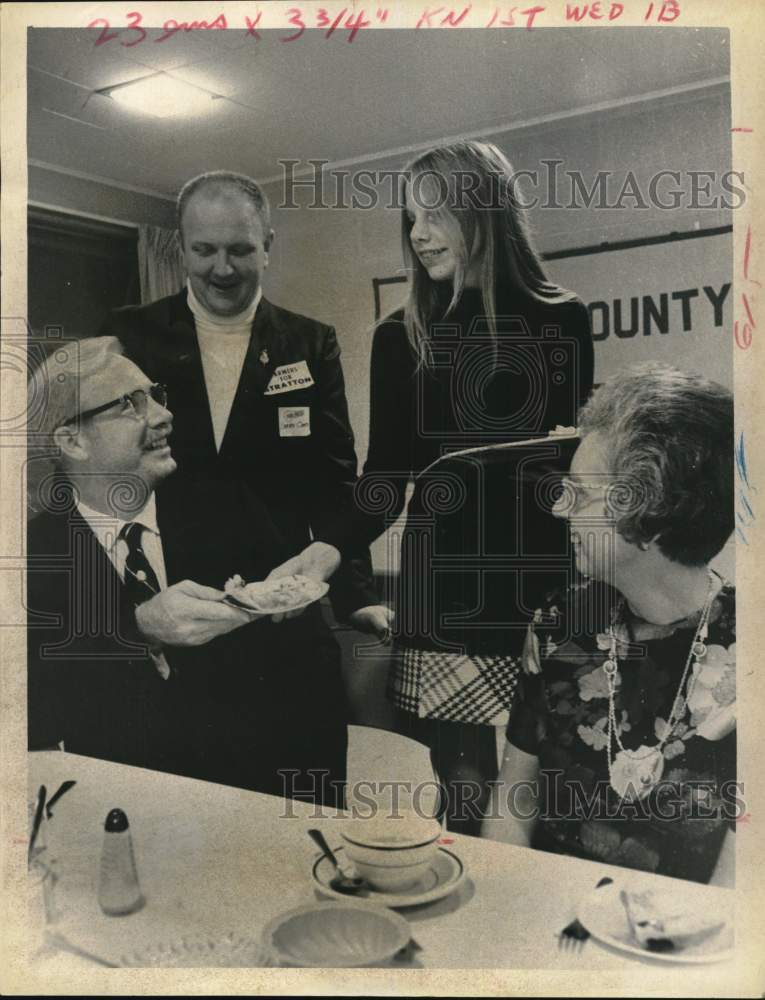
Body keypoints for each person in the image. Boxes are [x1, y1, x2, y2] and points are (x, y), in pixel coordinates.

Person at [351, 140, 594, 835]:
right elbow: (383, 476)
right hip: (440, 598)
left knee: (536, 787)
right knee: (454, 788)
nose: (417, 234)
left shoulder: (559, 318)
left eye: (433, 216)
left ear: (482, 213)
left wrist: (567, 599)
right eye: (409, 220)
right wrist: (323, 549)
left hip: (534, 593)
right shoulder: (397, 337)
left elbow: (562, 474)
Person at [482, 363, 736, 886]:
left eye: (578, 491)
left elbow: (741, 885)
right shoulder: (560, 623)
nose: (558, 508)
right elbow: (513, 801)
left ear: (651, 511)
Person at [100, 170, 379, 628]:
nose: (223, 269)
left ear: (267, 245)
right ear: (181, 246)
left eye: (241, 249)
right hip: (170, 602)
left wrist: (355, 595)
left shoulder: (310, 342)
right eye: (204, 250)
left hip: (280, 601)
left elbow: (335, 480)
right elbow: (102, 473)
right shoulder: (131, 333)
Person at [26, 337, 252, 772]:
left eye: (155, 395)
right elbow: (35, 708)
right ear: (72, 440)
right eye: (131, 404)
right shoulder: (30, 562)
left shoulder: (229, 513)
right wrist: (140, 628)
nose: (164, 416)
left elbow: (302, 671)